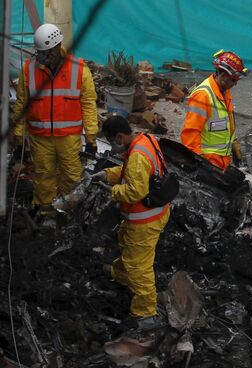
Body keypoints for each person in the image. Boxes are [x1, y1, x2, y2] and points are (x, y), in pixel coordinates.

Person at [11, 23, 98, 219]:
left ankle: (70, 215)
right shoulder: (29, 70)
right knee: (43, 177)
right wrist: (18, 136)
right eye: (40, 53)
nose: (43, 58)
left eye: (47, 53)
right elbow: (21, 104)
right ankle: (46, 214)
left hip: (68, 137)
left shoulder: (79, 69)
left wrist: (91, 138)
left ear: (58, 47)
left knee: (72, 177)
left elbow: (88, 104)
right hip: (39, 137)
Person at [91, 116, 170, 330]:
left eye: (111, 140)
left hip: (144, 220)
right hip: (154, 213)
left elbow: (135, 191)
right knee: (127, 245)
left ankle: (146, 313)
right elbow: (131, 174)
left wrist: (112, 190)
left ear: (119, 136)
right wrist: (107, 175)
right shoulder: (145, 140)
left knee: (140, 266)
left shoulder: (137, 156)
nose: (113, 145)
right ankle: (121, 274)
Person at [180, 50, 247, 171]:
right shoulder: (203, 95)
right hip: (208, 164)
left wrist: (233, 142)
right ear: (223, 76)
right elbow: (191, 134)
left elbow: (225, 122)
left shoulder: (224, 91)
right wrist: (200, 163)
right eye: (233, 80)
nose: (235, 84)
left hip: (221, 163)